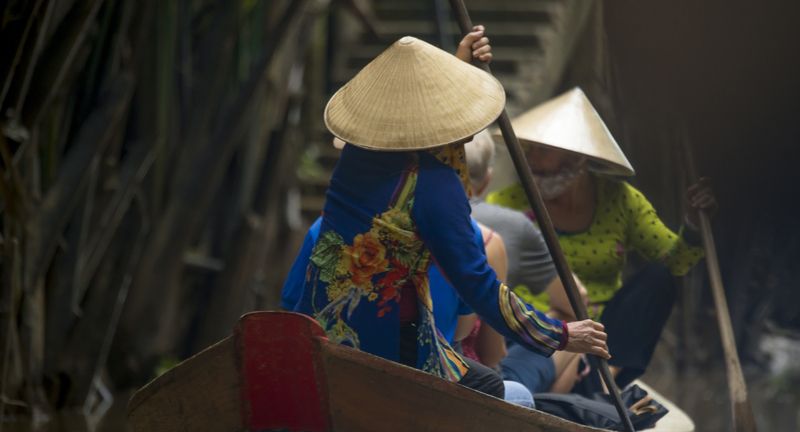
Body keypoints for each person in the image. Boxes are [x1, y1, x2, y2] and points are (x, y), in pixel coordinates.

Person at [287, 35, 609, 400]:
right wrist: (560, 335)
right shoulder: (435, 186)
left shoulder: (355, 161)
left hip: (324, 332)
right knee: (493, 386)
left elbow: (430, 144)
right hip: (388, 351)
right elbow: (478, 285)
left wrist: (459, 69)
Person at [487, 87, 717, 392]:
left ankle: (601, 382)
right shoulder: (506, 204)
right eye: (528, 150)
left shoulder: (620, 201)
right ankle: (540, 382)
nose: (531, 162)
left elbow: (675, 261)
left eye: (543, 151)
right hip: (531, 330)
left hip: (601, 339)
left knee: (659, 278)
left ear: (577, 158)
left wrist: (692, 224)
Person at [464, 130, 591, 394]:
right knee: (574, 328)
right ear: (487, 180)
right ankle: (545, 412)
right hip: (472, 375)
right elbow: (491, 354)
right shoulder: (494, 238)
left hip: (444, 359)